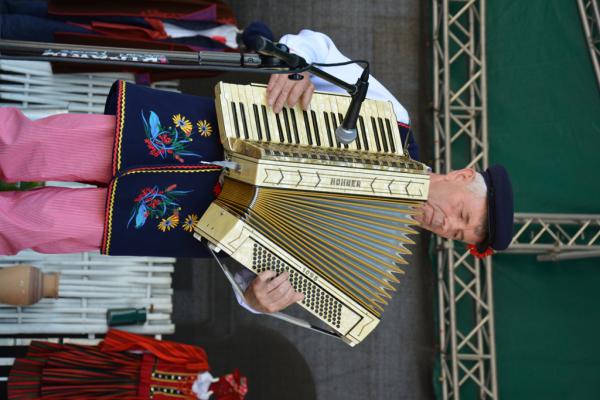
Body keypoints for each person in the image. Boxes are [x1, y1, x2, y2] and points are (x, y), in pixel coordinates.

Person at [0, 30, 514, 314]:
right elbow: (316, 48)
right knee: (26, 146)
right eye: (464, 216)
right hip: (182, 132)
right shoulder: (394, 122)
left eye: (460, 234)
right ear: (461, 175)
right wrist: (296, 65)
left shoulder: (368, 250)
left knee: (35, 226)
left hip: (175, 218)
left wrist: (257, 299)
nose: (448, 228)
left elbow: (258, 271)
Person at [7, 328, 247, 399]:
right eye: (230, 381)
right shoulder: (198, 360)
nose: (225, 384)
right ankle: (14, 374)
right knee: (66, 372)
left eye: (229, 389)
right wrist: (119, 345)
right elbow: (158, 348)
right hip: (120, 369)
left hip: (122, 396)